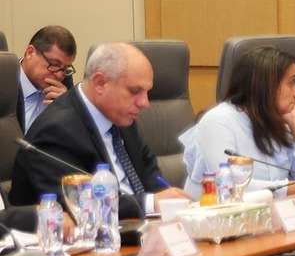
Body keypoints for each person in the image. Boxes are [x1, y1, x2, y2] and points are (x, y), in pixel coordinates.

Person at [8, 42, 188, 218]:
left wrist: (169, 200)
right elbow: (77, 206)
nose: (144, 103)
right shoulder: (55, 131)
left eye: (147, 92)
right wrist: (149, 203)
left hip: (139, 226)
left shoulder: (120, 115)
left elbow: (149, 172)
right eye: (135, 91)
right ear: (100, 83)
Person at [179, 45, 295, 196]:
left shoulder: (278, 123)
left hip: (271, 209)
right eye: (292, 83)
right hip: (216, 210)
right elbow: (229, 185)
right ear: (267, 86)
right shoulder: (217, 121)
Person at [15, 25, 76, 132]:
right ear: (30, 53)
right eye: (54, 64)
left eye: (65, 68)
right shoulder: (5, 81)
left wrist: (69, 110)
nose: (59, 75)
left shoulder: (65, 84)